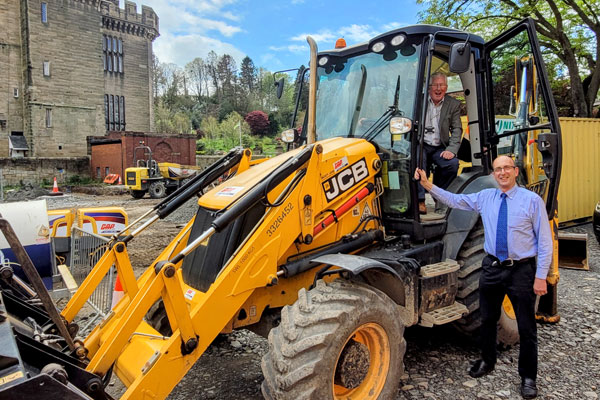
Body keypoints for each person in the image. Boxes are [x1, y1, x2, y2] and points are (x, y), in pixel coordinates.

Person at [414, 155, 552, 399]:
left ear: (515, 171)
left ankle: (528, 377)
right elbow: (454, 200)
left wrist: (541, 276)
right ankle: (487, 361)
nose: (502, 173)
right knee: (487, 320)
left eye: (506, 168)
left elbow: (544, 241)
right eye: (498, 169)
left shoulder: (531, 201)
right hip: (492, 267)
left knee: (527, 327)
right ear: (494, 173)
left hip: (520, 269)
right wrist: (427, 185)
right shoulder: (485, 197)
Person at [418, 72, 462, 214]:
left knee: (452, 164)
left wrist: (452, 149)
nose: (438, 88)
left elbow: (457, 129)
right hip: (421, 144)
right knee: (417, 161)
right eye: (435, 85)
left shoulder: (453, 104)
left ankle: (440, 196)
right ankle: (420, 200)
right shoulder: (419, 101)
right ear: (429, 87)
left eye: (441, 85)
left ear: (446, 87)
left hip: (439, 146)